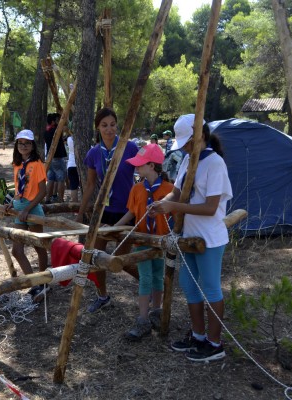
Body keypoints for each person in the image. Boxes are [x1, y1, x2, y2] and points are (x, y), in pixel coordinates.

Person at [149, 114, 233, 362]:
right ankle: (198, 335)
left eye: (189, 142)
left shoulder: (215, 163)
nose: (185, 147)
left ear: (202, 136)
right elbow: (176, 191)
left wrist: (175, 207)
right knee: (189, 284)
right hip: (189, 235)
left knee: (210, 288)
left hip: (209, 238)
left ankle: (215, 343)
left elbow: (210, 207)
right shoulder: (188, 159)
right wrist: (161, 203)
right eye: (183, 143)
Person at [76, 107, 140, 312]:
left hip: (127, 211)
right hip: (104, 210)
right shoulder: (94, 153)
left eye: (112, 124)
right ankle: (102, 296)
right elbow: (91, 184)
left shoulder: (129, 148)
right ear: (98, 127)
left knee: (122, 261)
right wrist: (80, 212)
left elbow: (144, 175)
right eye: (104, 125)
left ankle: (153, 286)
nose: (109, 129)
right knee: (97, 257)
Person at [114, 144, 174, 340]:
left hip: (161, 242)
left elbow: (177, 215)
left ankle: (156, 311)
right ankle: (142, 319)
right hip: (142, 240)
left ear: (151, 165)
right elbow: (131, 212)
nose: (136, 168)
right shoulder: (137, 189)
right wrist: (115, 227)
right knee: (145, 278)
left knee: (158, 277)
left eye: (140, 165)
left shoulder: (170, 190)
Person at [5, 129, 50, 303]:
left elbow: (42, 191)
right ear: (17, 145)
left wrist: (28, 209)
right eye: (21, 143)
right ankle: (34, 283)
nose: (24, 146)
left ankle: (44, 281)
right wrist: (11, 201)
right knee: (17, 250)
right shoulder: (16, 164)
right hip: (19, 206)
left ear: (32, 145)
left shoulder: (37, 164)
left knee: (39, 246)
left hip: (32, 208)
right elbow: (18, 188)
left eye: (27, 143)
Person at [44, 113, 67, 203]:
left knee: (50, 179)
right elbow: (64, 127)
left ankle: (47, 199)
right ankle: (61, 199)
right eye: (57, 120)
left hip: (49, 158)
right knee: (61, 179)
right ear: (53, 121)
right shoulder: (56, 130)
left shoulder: (46, 131)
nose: (59, 122)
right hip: (57, 157)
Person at [66, 130, 80, 202]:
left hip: (71, 164)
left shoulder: (69, 139)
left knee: (73, 186)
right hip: (79, 165)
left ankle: (75, 206)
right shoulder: (80, 138)